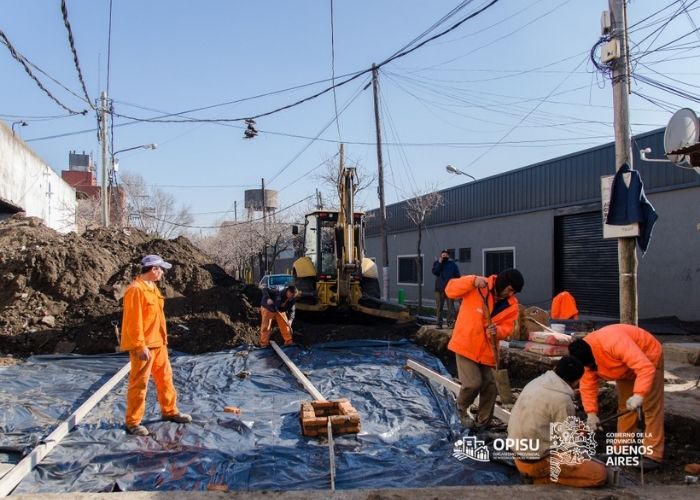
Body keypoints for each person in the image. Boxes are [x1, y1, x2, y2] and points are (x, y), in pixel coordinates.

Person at [568, 324, 664, 468]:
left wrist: (639, 394)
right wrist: (591, 414)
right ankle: (621, 450)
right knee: (625, 408)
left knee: (651, 409)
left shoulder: (614, 342)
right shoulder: (583, 356)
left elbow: (645, 367)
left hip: (648, 357)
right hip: (624, 369)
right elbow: (588, 386)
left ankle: (653, 455)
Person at [508, 356, 607, 487]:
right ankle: (540, 480)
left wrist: (576, 429)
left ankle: (534, 474)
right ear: (577, 381)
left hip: (517, 455)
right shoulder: (563, 400)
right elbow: (572, 446)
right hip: (535, 463)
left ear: (555, 369)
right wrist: (583, 441)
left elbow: (547, 421)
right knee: (599, 475)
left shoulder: (537, 382)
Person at [120, 254, 192, 436]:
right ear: (153, 269)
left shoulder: (152, 288)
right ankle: (133, 422)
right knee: (139, 383)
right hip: (144, 345)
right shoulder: (136, 290)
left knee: (165, 378)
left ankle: (170, 411)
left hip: (158, 343)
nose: (162, 273)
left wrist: (162, 341)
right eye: (160, 269)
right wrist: (139, 346)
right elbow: (132, 321)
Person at [445, 268, 524, 429]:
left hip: (488, 349)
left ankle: (483, 423)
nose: (510, 294)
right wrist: (471, 280)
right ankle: (459, 409)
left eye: (513, 292)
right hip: (466, 344)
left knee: (491, 384)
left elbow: (508, 328)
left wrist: (498, 330)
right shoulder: (478, 286)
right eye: (510, 289)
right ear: (503, 283)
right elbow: (450, 290)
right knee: (473, 383)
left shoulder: (512, 304)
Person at [432, 250, 461, 328]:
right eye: (443, 255)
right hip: (439, 289)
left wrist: (455, 285)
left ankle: (450, 323)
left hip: (450, 289)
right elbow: (435, 272)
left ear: (448, 256)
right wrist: (440, 263)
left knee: (451, 308)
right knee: (439, 307)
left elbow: (457, 275)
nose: (444, 256)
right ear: (441, 256)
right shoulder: (437, 263)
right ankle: (439, 323)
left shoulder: (452, 265)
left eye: (445, 255)